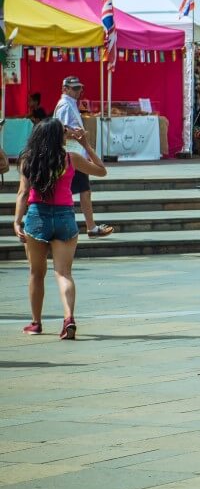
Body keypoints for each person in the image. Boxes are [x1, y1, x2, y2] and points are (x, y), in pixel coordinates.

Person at [13, 120, 107, 339]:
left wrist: (17, 221)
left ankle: (36, 323)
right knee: (63, 273)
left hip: (37, 217)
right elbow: (102, 171)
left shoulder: (29, 159)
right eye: (64, 132)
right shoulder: (71, 158)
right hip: (65, 217)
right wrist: (86, 145)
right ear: (57, 137)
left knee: (36, 273)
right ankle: (68, 318)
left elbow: (23, 193)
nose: (67, 134)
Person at [52, 77, 113, 238]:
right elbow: (60, 130)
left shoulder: (69, 103)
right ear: (65, 89)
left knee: (82, 190)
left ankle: (89, 227)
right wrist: (78, 135)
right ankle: (89, 227)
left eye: (79, 88)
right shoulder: (66, 105)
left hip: (74, 153)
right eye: (74, 88)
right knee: (81, 190)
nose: (78, 91)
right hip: (72, 154)